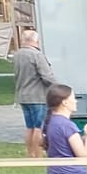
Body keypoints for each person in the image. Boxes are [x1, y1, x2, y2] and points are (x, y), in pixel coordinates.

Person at [12, 27, 60, 158]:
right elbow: (47, 76)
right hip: (37, 96)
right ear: (35, 41)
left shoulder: (17, 55)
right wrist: (59, 88)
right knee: (39, 127)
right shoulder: (37, 55)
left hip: (23, 96)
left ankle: (30, 154)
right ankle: (38, 156)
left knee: (29, 127)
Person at [41, 85, 87, 174]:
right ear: (65, 102)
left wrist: (85, 138)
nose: (76, 101)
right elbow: (84, 157)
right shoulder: (67, 125)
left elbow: (64, 146)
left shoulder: (51, 121)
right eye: (73, 98)